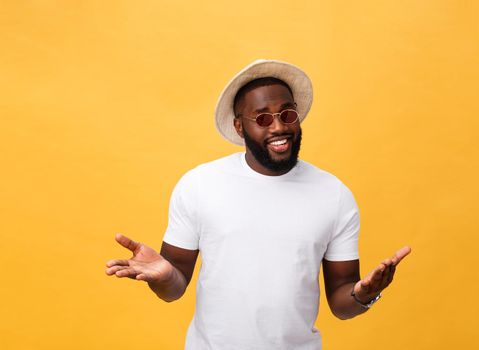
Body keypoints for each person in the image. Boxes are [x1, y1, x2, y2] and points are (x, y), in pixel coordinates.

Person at [105, 59, 411, 349]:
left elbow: (342, 302)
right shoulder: (199, 185)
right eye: (262, 118)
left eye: (287, 114)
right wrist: (164, 275)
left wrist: (365, 294)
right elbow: (174, 287)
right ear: (240, 127)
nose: (278, 127)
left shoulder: (334, 194)